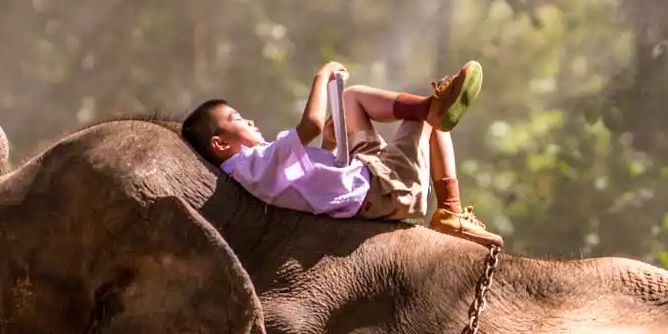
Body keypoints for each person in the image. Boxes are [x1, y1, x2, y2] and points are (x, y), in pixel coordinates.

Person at [180, 60, 502, 247]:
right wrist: (322, 76)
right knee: (428, 123)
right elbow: (311, 124)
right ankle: (450, 210)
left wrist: (331, 145)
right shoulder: (254, 164)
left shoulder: (257, 170)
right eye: (237, 118)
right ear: (220, 144)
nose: (248, 120)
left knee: (350, 99)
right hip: (382, 187)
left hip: (365, 169)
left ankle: (431, 107)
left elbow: (312, 186)